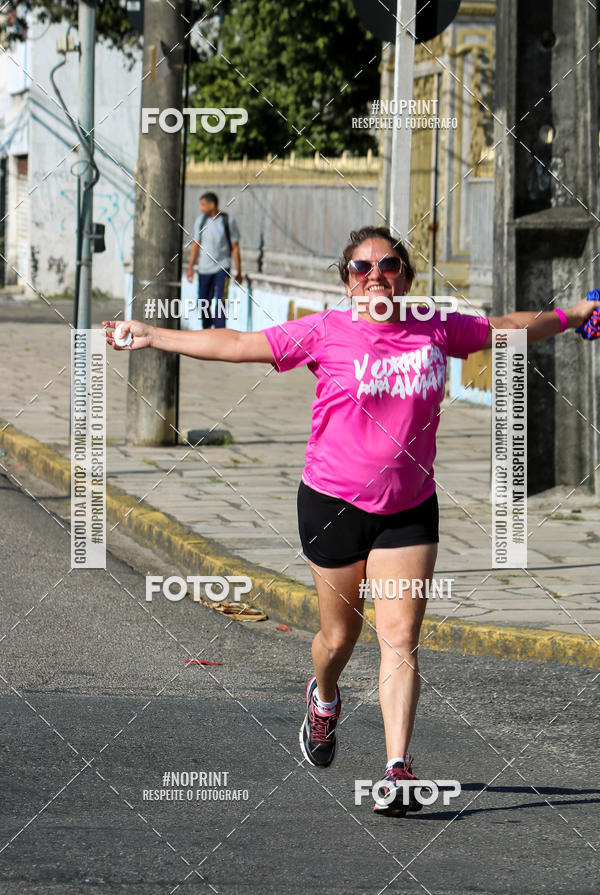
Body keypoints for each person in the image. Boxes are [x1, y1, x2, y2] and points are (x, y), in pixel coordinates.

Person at [104, 225, 598, 817]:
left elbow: (510, 327)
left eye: (388, 265)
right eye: (362, 268)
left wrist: (575, 314)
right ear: (346, 281)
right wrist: (151, 335)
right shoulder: (324, 330)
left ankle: (397, 769)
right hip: (331, 505)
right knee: (339, 638)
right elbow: (236, 343)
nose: (375, 276)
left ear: (405, 278)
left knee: (401, 640)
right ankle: (324, 696)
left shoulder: (435, 327)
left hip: (408, 511)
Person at [186, 191, 242, 329]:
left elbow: (235, 247)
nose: (201, 208)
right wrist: (190, 268)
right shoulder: (201, 221)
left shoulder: (227, 221)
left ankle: (219, 331)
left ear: (212, 205)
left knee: (221, 301)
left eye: (203, 205)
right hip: (204, 269)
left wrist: (239, 271)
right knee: (203, 302)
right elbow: (196, 245)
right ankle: (207, 329)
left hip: (223, 267)